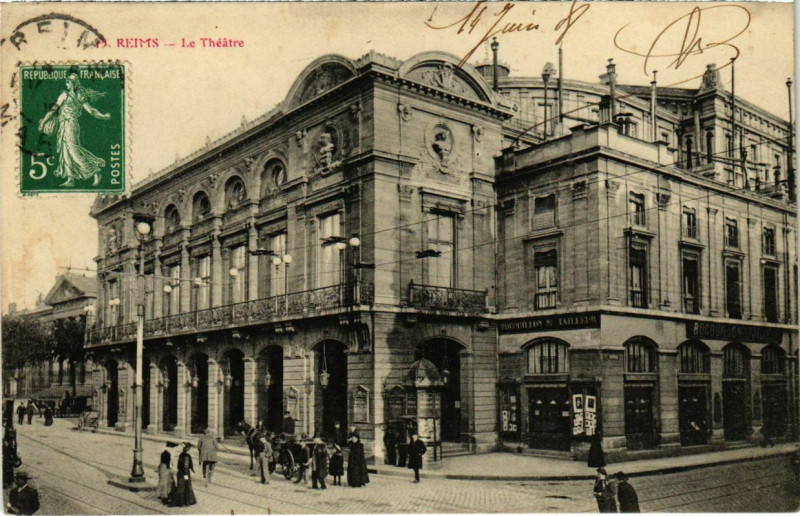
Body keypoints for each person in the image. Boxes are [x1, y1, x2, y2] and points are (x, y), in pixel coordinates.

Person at [37, 73, 111, 187]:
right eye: (66, 81)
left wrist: (103, 116)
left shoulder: (76, 96)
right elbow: (53, 110)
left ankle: (95, 171)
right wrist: (43, 122)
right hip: (63, 125)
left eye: (68, 82)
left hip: (71, 125)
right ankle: (70, 179)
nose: (66, 84)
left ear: (74, 83)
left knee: (73, 150)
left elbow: (91, 110)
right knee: (65, 151)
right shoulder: (67, 95)